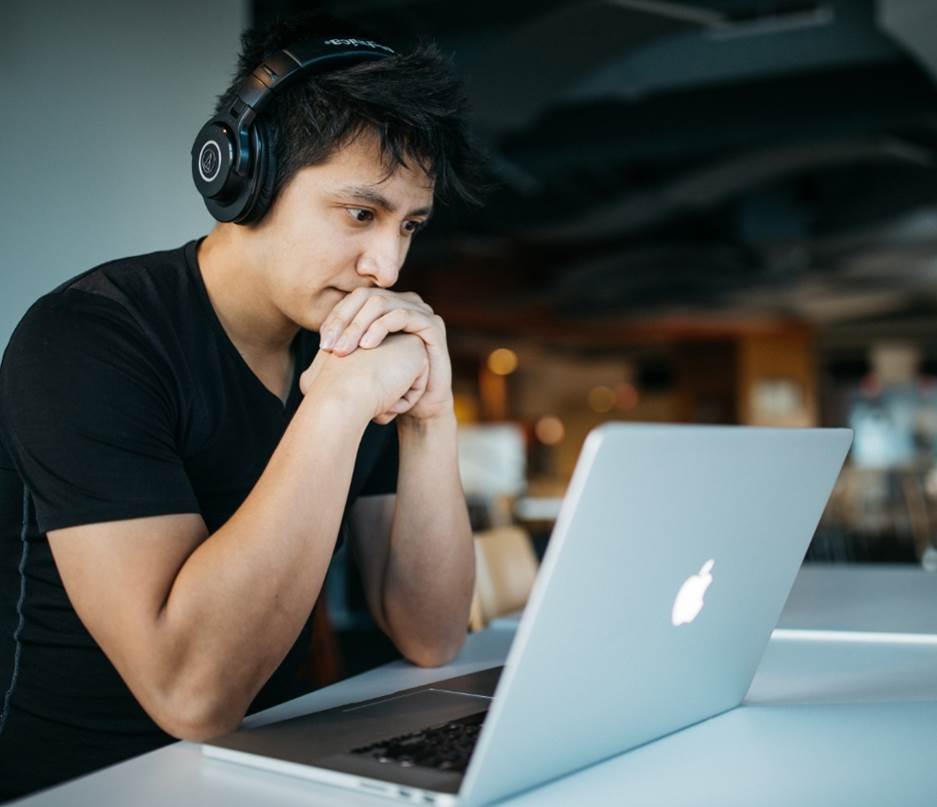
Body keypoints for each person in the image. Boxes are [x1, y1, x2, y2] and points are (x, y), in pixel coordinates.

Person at [0, 11, 485, 801]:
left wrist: (433, 416)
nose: (386, 263)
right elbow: (190, 695)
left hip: (270, 771)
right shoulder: (90, 340)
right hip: (84, 782)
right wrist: (333, 406)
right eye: (361, 214)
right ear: (243, 177)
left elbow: (430, 634)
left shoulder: (347, 345)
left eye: (409, 226)